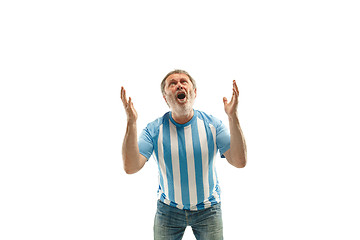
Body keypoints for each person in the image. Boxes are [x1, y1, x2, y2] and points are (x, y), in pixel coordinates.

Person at [120, 69, 247, 240]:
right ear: (165, 98)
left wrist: (233, 116)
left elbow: (239, 161)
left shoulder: (212, 125)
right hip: (168, 211)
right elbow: (131, 167)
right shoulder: (154, 129)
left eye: (183, 82)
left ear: (194, 93)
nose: (179, 85)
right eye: (172, 83)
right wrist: (131, 122)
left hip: (208, 210)